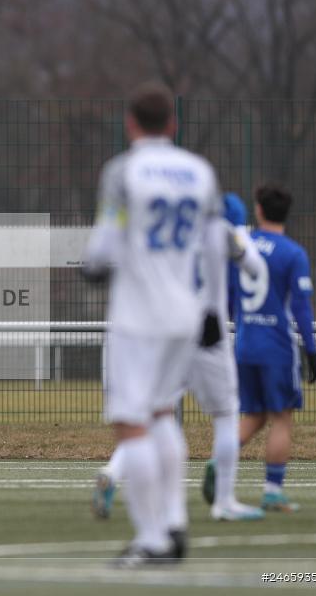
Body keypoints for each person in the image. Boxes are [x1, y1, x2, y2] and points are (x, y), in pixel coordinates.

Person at [82, 82, 224, 567]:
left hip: (138, 316)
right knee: (164, 413)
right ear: (174, 124)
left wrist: (93, 264)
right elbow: (213, 243)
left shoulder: (123, 170)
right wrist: (213, 309)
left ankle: (152, 538)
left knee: (131, 422)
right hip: (186, 312)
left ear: (130, 123)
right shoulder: (199, 171)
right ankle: (175, 523)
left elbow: (104, 243)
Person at [93, 193, 266, 522]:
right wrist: (240, 237)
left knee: (153, 414)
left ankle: (113, 473)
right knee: (227, 414)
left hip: (169, 329)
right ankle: (224, 501)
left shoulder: (174, 233)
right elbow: (254, 268)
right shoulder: (223, 232)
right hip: (207, 331)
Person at [233, 183, 316, 512]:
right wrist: (311, 350)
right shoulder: (292, 253)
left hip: (244, 343)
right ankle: (272, 491)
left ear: (258, 209)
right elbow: (301, 308)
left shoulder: (242, 246)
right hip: (277, 348)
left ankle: (218, 461)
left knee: (253, 414)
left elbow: (230, 291)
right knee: (282, 418)